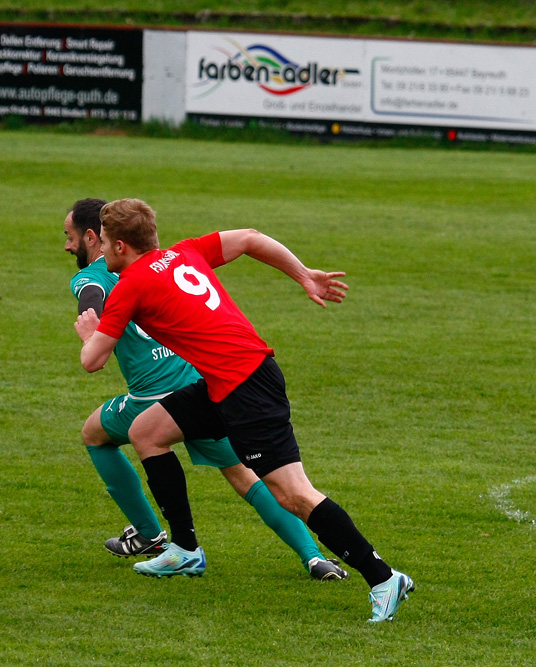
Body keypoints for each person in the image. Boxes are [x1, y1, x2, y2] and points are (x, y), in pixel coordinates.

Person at [75, 198, 414, 623]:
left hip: (245, 388)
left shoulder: (130, 285)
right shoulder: (185, 251)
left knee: (293, 493)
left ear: (121, 245)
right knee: (147, 432)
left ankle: (383, 577)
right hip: (227, 381)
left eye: (104, 244)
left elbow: (93, 361)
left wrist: (90, 332)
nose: (101, 252)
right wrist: (303, 274)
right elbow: (251, 238)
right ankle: (184, 550)